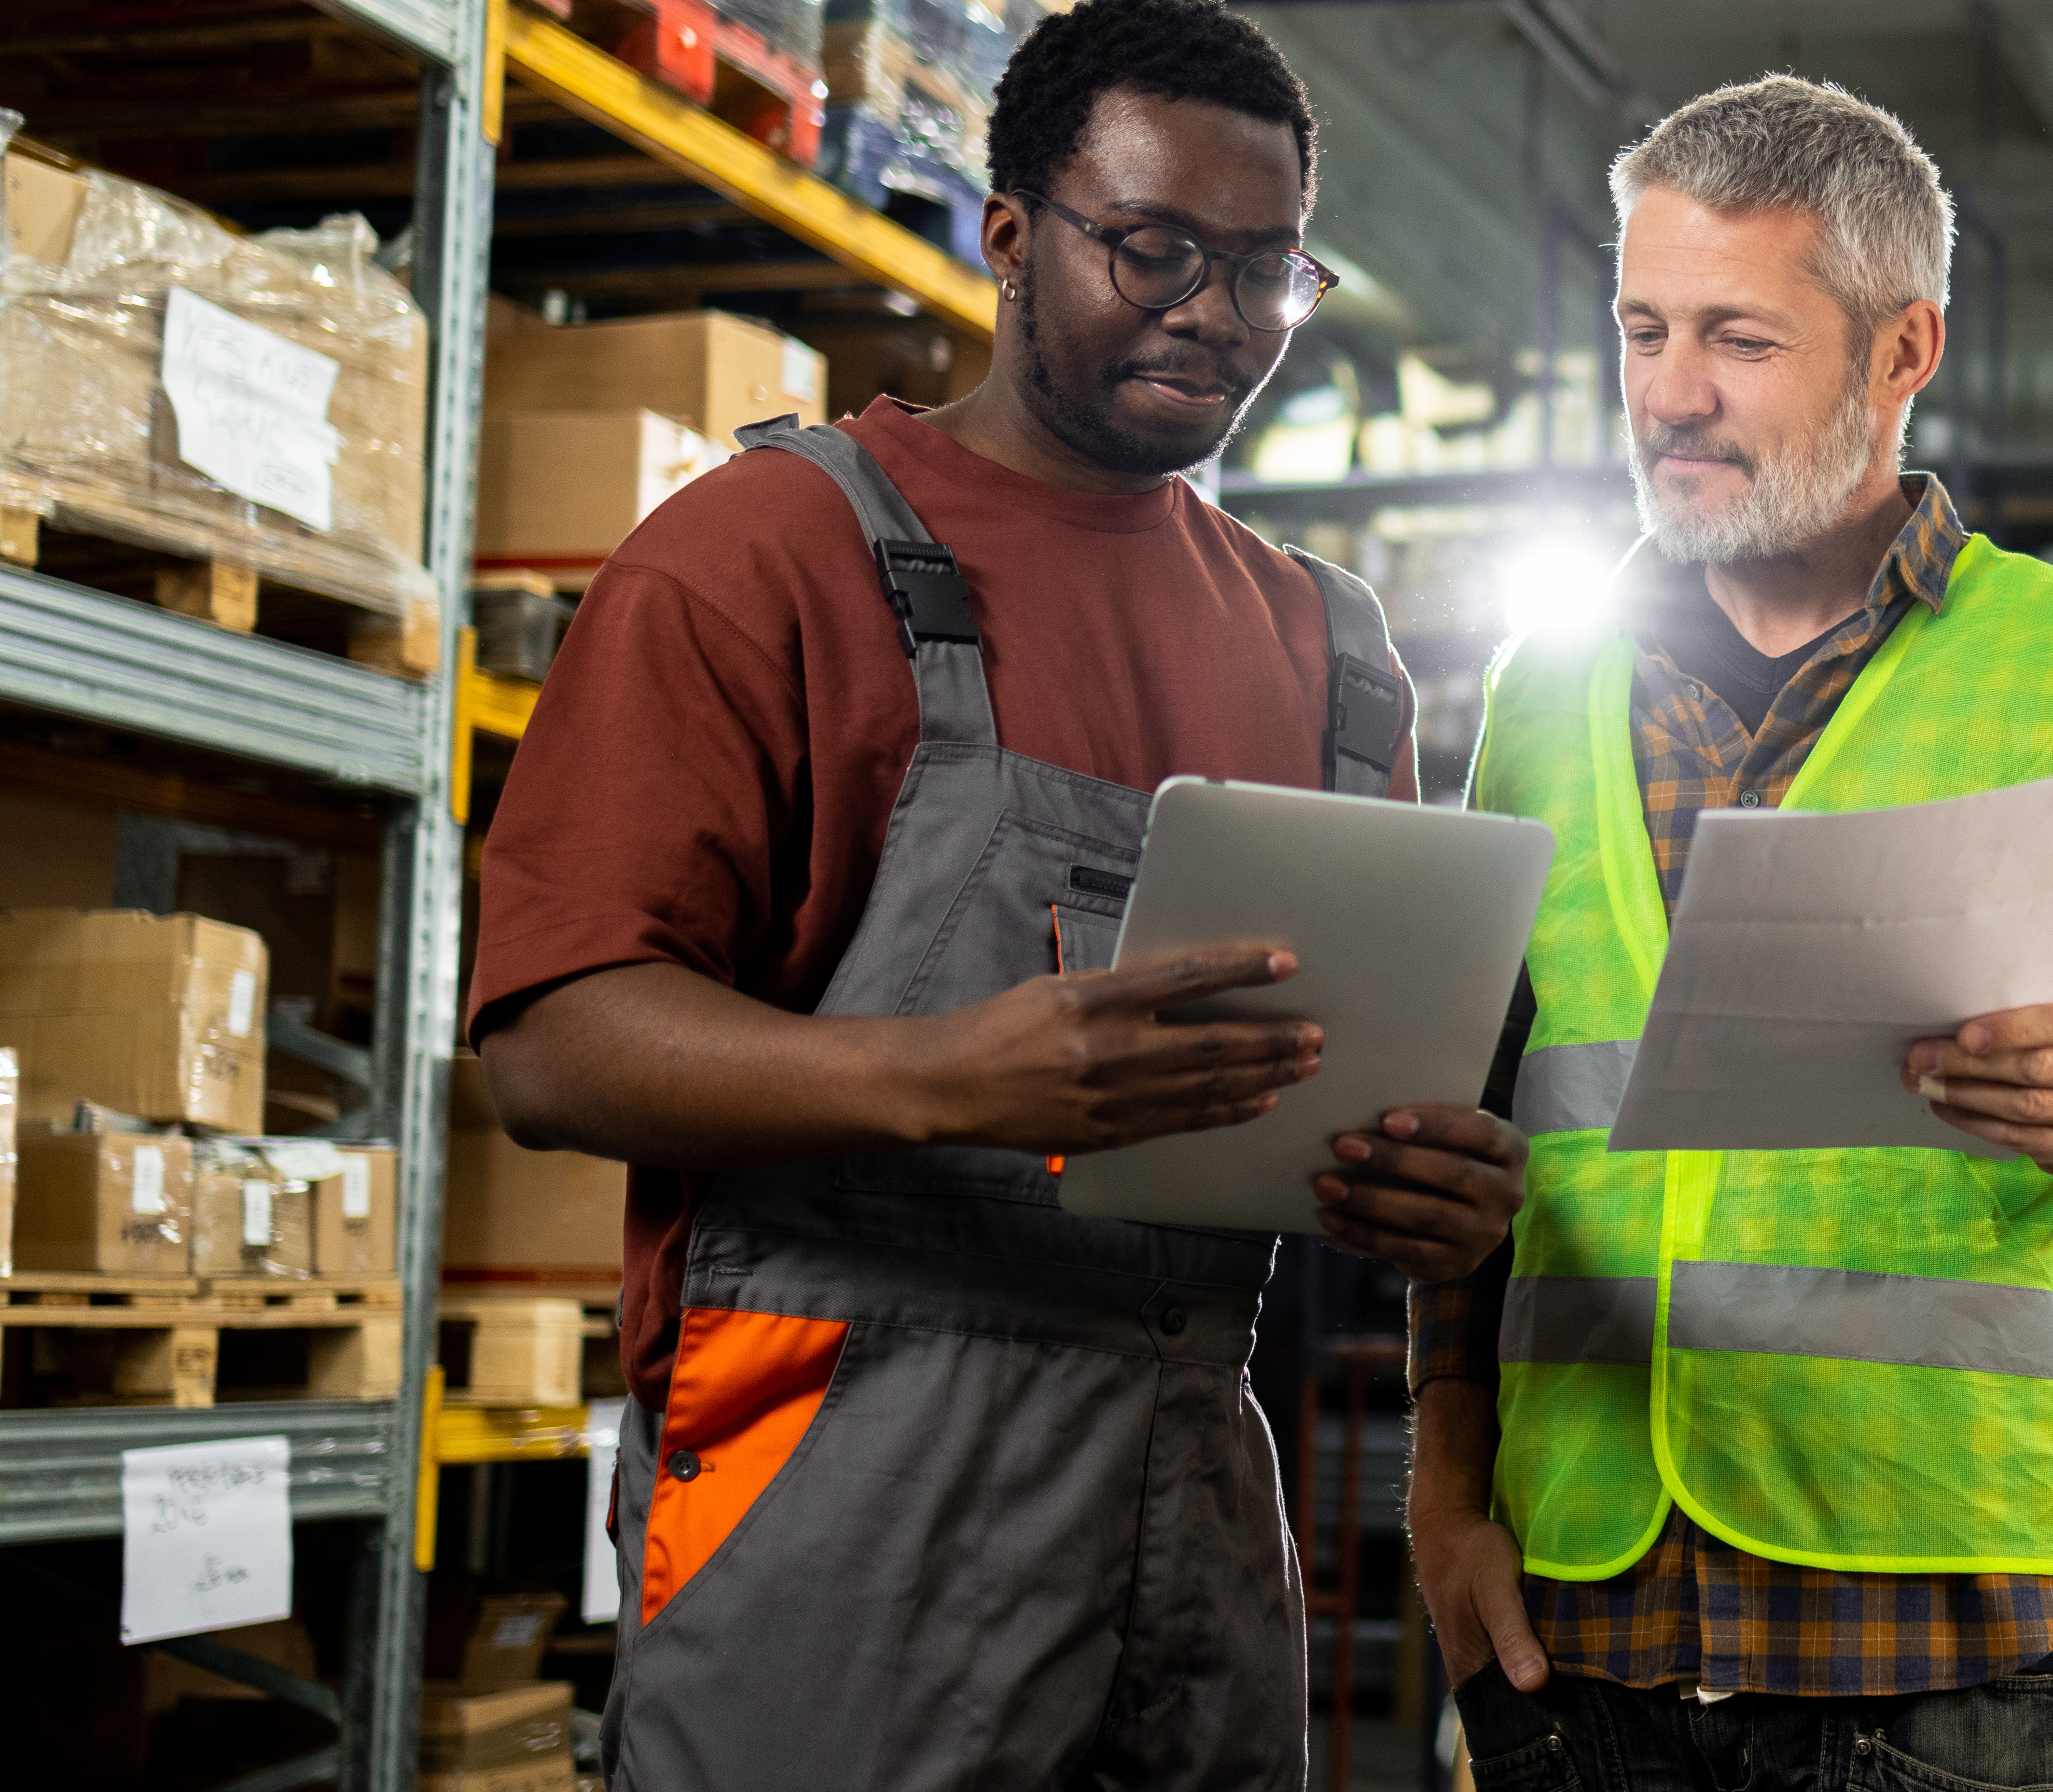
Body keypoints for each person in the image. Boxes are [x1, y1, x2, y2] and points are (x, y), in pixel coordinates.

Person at [465, 2, 1523, 1783]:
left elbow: (1354, 1086)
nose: (1216, 312)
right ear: (1012, 235)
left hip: (1195, 1509)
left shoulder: (1332, 652)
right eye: (1154, 249)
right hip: (840, 1510)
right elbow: (551, 1041)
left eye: (1267, 271)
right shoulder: (767, 555)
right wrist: (945, 1075)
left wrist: (1427, 1187)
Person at [1409, 74, 2053, 1792]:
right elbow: (1474, 1137)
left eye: (1739, 339)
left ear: (1904, 351)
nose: (1670, 393)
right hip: (1579, 1630)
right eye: (1644, 329)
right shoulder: (1540, 689)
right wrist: (1443, 1502)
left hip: (1926, 1646)